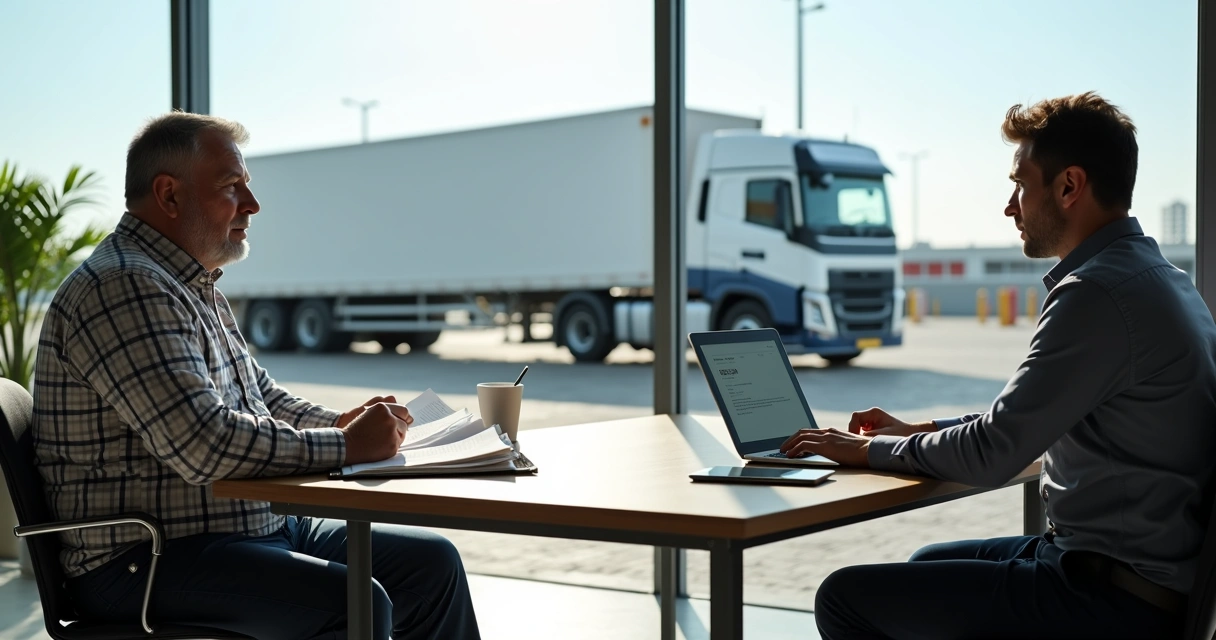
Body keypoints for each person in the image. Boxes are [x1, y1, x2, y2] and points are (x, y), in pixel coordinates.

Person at [780, 92, 1216, 639]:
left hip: (1111, 600)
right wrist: (922, 430)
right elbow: (1022, 422)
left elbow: (992, 454)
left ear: (1068, 186)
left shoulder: (1099, 294)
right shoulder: (1161, 279)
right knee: (926, 565)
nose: (1010, 206)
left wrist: (866, 450)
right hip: (1126, 572)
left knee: (843, 598)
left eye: (1019, 184)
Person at [31, 112, 480, 640]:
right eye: (231, 187)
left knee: (432, 568)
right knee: (356, 603)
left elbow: (259, 397)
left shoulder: (188, 284)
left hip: (236, 531)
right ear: (169, 195)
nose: (252, 204)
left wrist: (339, 421)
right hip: (147, 558)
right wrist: (344, 446)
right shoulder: (125, 286)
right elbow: (203, 443)